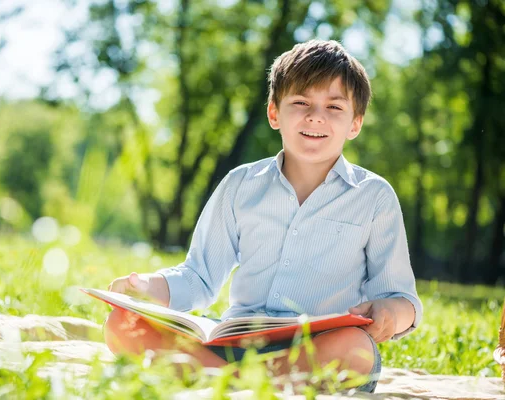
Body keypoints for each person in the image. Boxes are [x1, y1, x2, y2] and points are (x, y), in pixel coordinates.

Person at [105, 39, 423, 393]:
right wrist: (146, 288)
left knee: (355, 351)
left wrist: (390, 314)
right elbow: (198, 276)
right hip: (236, 343)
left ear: (355, 124)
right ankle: (241, 379)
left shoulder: (374, 197)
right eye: (301, 102)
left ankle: (217, 380)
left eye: (334, 106)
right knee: (123, 323)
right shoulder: (241, 184)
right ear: (275, 113)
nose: (315, 116)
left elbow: (401, 297)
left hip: (318, 347)